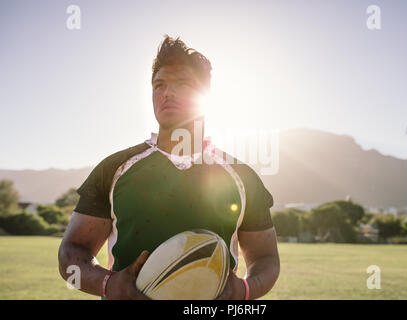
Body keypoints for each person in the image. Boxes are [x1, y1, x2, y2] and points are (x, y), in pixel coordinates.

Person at [58, 35, 280, 300]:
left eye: (182, 83)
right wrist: (108, 284)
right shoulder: (115, 169)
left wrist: (244, 289)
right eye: (159, 84)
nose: (167, 92)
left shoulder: (242, 177)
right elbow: (73, 249)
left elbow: (265, 258)